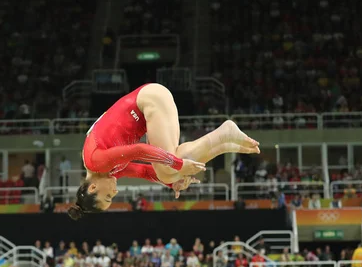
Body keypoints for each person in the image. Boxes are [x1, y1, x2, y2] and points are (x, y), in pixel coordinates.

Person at [68, 83, 259, 219]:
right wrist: (172, 183)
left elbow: (139, 150)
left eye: (108, 196)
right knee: (168, 173)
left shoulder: (96, 161)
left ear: (93, 187)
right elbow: (143, 171)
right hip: (149, 106)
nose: (115, 191)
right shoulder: (107, 170)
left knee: (169, 169)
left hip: (148, 101)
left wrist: (178, 165)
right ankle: (224, 143)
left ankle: (224, 135)